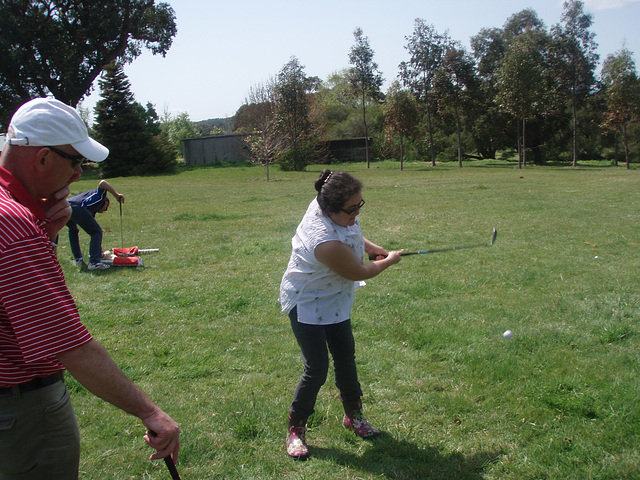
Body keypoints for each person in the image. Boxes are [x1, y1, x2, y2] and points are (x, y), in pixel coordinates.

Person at [0, 98, 179, 479]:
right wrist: (151, 413)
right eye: (74, 161)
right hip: (23, 412)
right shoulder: (13, 226)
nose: (79, 173)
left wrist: (46, 233)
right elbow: (68, 343)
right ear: (43, 158)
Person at [279, 169, 403, 460]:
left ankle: (354, 416)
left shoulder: (334, 207)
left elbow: (353, 233)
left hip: (334, 295)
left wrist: (372, 248)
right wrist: (390, 261)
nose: (357, 213)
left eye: (360, 205)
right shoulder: (324, 241)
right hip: (307, 299)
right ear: (330, 209)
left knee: (346, 355)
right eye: (351, 209)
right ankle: (295, 428)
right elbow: (358, 271)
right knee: (317, 367)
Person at [67, 179, 124, 270]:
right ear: (105, 203)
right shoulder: (100, 197)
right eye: (105, 209)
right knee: (96, 232)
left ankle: (78, 260)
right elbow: (102, 183)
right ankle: (94, 262)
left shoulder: (91, 208)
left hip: (66, 205)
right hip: (78, 207)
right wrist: (116, 195)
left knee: (73, 230)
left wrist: (99, 251)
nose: (102, 212)